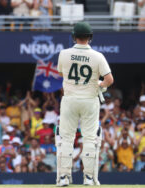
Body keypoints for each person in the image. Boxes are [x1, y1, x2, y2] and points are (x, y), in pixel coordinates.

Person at [56, 22, 114, 186]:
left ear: (74, 37)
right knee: (89, 138)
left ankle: (63, 178)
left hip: (70, 99)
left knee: (66, 138)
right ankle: (88, 178)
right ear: (90, 37)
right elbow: (109, 80)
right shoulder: (97, 56)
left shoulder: (64, 53)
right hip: (89, 100)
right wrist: (100, 85)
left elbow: (61, 73)